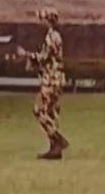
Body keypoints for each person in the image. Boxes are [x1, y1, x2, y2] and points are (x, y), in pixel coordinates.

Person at [18, 9, 68, 160]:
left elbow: (44, 58)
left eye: (42, 19)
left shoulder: (51, 37)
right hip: (57, 78)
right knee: (52, 112)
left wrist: (26, 55)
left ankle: (57, 139)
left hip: (51, 79)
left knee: (39, 110)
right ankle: (55, 150)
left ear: (48, 20)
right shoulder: (57, 36)